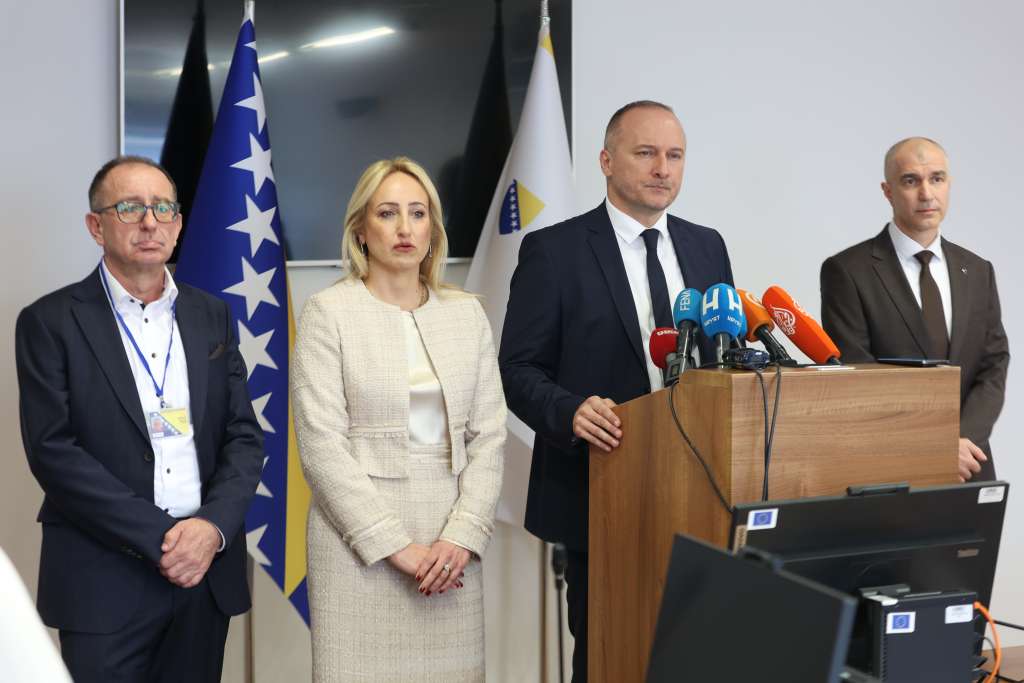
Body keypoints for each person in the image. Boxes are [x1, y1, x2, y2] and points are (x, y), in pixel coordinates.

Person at [499, 100, 736, 682]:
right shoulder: (555, 251)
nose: (662, 169)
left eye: (675, 155)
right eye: (646, 153)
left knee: (697, 658)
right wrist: (570, 411)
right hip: (598, 491)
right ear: (606, 161)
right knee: (609, 657)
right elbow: (518, 368)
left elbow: (722, 355)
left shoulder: (707, 246)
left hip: (698, 491)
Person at [15, 156, 265, 682]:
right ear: (96, 226)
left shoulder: (212, 314)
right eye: (129, 208)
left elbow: (243, 436)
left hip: (202, 574)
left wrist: (210, 530)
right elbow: (53, 451)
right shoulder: (49, 322)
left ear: (178, 223)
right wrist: (165, 538)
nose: (150, 222)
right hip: (103, 580)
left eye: (163, 208)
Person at [292, 157, 506, 682]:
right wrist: (395, 547)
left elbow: (489, 437)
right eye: (387, 213)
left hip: (451, 547)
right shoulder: (327, 312)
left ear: (433, 230)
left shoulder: (466, 314)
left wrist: (461, 537)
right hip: (356, 552)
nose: (405, 227)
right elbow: (321, 447)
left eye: (418, 213)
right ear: (361, 231)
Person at [821, 137, 1009, 482]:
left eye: (937, 178)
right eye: (911, 180)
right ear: (887, 191)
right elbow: (857, 378)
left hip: (969, 464)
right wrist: (935, 448)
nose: (926, 193)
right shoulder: (848, 271)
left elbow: (993, 365)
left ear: (949, 184)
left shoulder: (977, 270)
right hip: (892, 469)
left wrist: (961, 441)